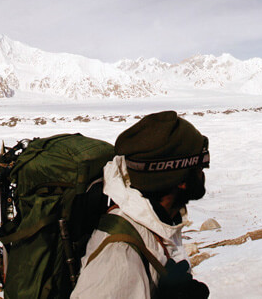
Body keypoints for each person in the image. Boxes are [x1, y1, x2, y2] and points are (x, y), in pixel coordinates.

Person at [71, 111, 210, 298]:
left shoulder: (155, 223)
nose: (203, 174)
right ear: (181, 180)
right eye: (201, 166)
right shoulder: (120, 254)